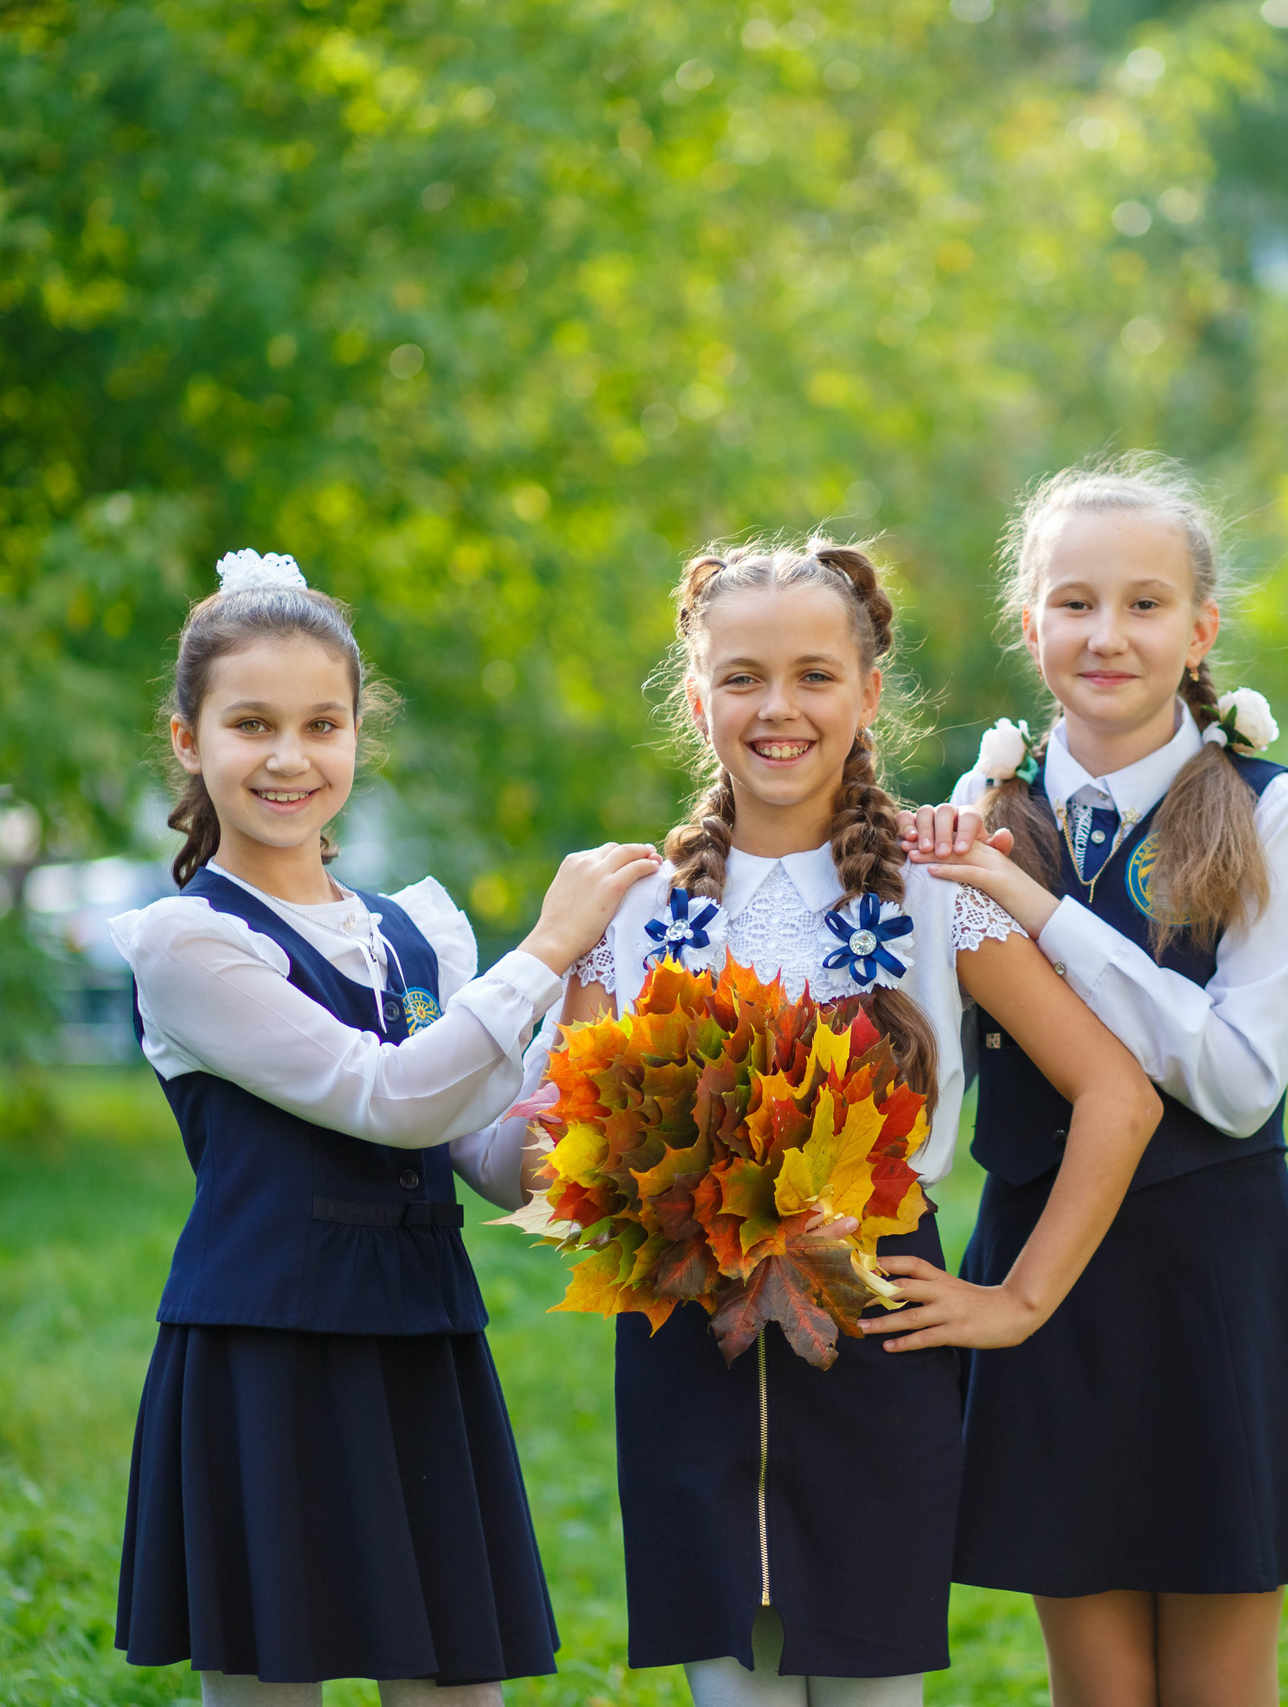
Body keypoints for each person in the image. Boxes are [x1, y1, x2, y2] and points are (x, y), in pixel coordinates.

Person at [479, 539, 1159, 1707]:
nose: (777, 709)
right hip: (684, 1332)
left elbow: (1118, 1095)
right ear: (697, 700)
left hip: (878, 1329)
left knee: (870, 1689)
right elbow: (554, 1148)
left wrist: (1019, 1300)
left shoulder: (939, 891)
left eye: (813, 675)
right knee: (729, 1688)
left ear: (869, 692)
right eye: (741, 678)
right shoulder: (627, 906)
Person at [107, 549, 661, 1707]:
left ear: (358, 733)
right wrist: (549, 948)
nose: (289, 758)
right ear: (186, 739)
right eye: (250, 723)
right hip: (267, 1349)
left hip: (420, 1340)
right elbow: (390, 1095)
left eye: (322, 723)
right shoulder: (189, 943)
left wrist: (587, 1094)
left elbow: (478, 1152)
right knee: (272, 1688)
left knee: (458, 1688)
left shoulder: (418, 931)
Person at [906, 458, 1288, 1707]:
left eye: (1144, 604)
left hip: (1211, 1274)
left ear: (1200, 629)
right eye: (1074, 603)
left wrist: (1042, 914)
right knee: (1096, 1681)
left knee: (1218, 1682)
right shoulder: (978, 811)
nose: (1107, 634)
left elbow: (1237, 1080)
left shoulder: (1265, 810)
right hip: (1039, 1262)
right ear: (1030, 625)